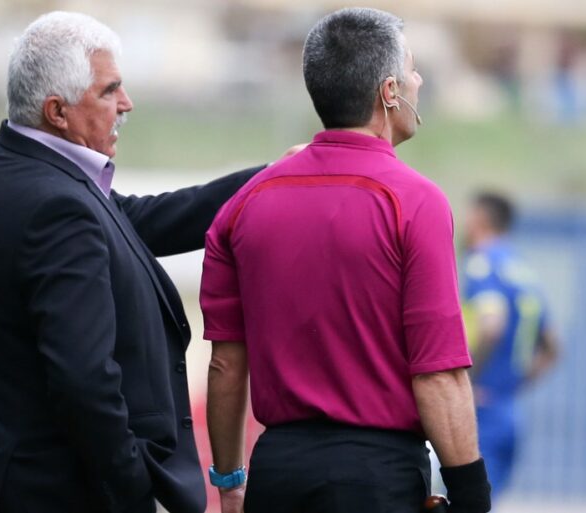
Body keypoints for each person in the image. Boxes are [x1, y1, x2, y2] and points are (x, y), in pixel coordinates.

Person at [0, 12, 273, 513]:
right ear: (57, 112)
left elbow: (134, 220)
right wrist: (133, 486)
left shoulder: (0, 173)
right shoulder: (55, 205)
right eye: (109, 91)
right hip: (60, 494)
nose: (127, 103)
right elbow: (83, 379)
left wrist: (269, 182)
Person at [200, 8, 490, 513]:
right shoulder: (415, 202)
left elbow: (225, 363)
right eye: (413, 69)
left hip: (278, 472)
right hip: (377, 477)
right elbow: (438, 375)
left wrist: (229, 480)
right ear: (389, 92)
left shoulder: (244, 203)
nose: (420, 81)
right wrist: (472, 496)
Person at [462, 192, 559, 499]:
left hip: (481, 410)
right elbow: (553, 347)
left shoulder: (482, 263)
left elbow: (492, 327)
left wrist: (466, 383)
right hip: (510, 409)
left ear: (479, 218)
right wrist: (512, 385)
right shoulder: (521, 270)